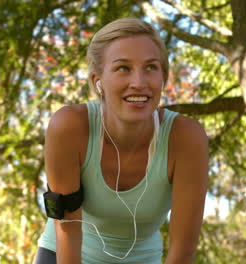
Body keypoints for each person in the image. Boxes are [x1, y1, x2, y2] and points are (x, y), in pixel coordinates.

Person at [34, 17, 208, 264]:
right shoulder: (70, 127)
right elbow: (67, 229)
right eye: (123, 68)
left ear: (163, 78)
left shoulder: (186, 138)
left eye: (151, 67)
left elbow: (182, 253)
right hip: (65, 254)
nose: (139, 83)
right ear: (98, 81)